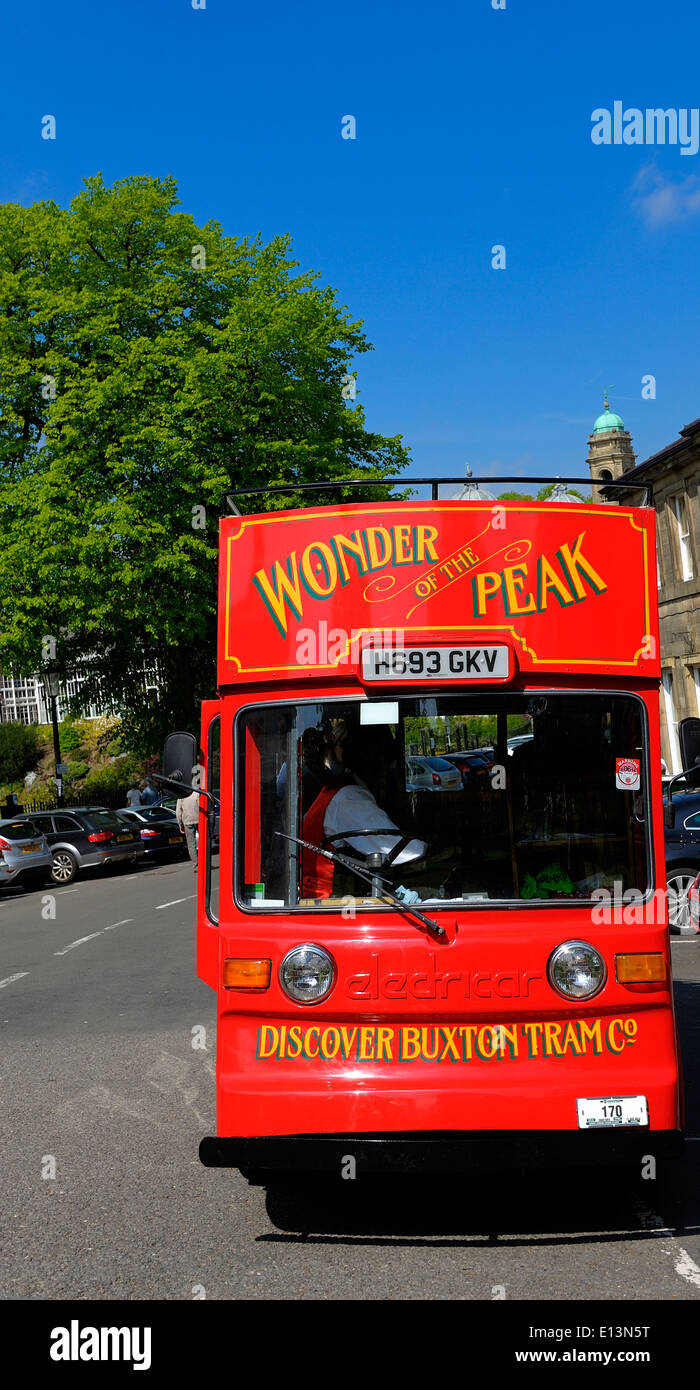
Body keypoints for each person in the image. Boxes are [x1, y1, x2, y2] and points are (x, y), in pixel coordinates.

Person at [301, 719, 426, 899]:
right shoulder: (349, 797)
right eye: (384, 760)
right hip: (323, 903)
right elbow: (408, 851)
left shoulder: (343, 789)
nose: (388, 770)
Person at [176, 768, 201, 871]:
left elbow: (178, 812)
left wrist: (180, 825)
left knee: (191, 844)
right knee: (203, 842)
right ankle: (204, 862)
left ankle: (196, 865)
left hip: (187, 821)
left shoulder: (181, 794)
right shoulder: (198, 792)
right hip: (199, 819)